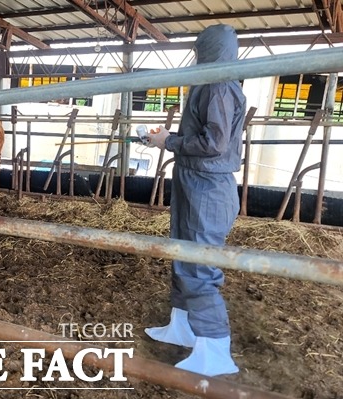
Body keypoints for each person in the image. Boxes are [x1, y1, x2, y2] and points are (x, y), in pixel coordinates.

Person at [144, 23, 247, 377]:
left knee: (200, 262)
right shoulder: (211, 83)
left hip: (208, 184)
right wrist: (166, 138)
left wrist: (169, 143)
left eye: (200, 48)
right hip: (194, 180)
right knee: (181, 251)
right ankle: (182, 326)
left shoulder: (218, 85)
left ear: (209, 51)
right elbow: (202, 136)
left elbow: (214, 144)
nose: (196, 55)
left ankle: (215, 348)